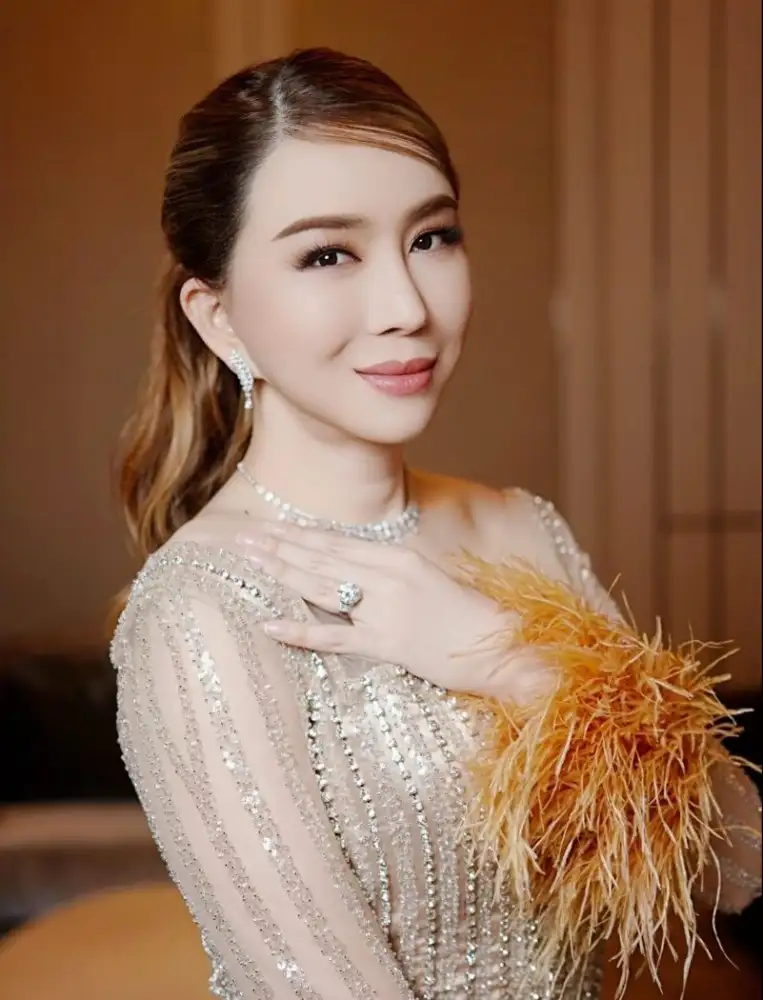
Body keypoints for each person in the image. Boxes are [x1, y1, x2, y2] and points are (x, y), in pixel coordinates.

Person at [111, 48, 761, 1000]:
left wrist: (510, 662)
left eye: (431, 237)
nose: (406, 307)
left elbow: (733, 867)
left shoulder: (519, 528)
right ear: (220, 320)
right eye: (327, 254)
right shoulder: (200, 614)